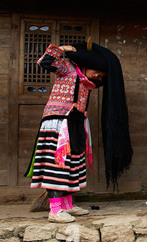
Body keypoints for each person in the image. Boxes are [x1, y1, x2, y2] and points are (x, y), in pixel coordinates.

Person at [25, 40, 133, 223]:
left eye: (101, 74)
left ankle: (67, 205)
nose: (98, 76)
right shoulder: (67, 68)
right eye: (97, 71)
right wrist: (63, 49)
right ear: (87, 64)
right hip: (58, 122)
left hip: (75, 122)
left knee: (73, 164)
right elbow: (44, 62)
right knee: (58, 165)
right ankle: (55, 210)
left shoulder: (87, 82)